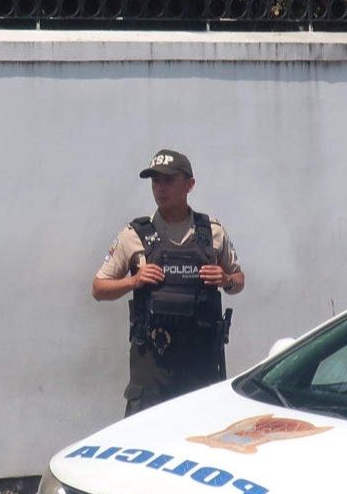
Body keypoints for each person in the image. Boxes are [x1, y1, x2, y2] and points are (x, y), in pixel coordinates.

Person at [92, 150, 246, 415]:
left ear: (190, 184)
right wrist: (135, 281)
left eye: (169, 181)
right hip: (153, 374)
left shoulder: (211, 232)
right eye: (155, 182)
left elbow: (239, 280)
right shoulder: (135, 235)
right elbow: (98, 288)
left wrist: (226, 279)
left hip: (202, 368)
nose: (160, 189)